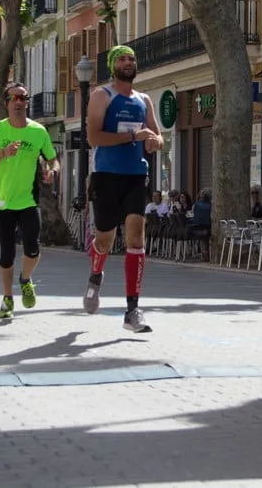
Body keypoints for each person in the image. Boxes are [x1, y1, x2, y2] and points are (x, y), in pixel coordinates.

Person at [83, 45, 164, 333]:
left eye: (132, 58)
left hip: (135, 175)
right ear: (112, 65)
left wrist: (155, 142)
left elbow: (157, 134)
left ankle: (132, 310)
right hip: (106, 175)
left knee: (136, 236)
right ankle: (95, 275)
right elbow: (94, 136)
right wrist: (132, 135)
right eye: (122, 58)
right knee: (104, 239)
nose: (128, 62)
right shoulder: (101, 96)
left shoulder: (144, 99)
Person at [0, 82, 60, 320]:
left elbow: (53, 160)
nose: (19, 103)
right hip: (2, 202)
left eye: (23, 98)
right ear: (7, 103)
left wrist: (52, 171)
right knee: (6, 254)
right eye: (14, 98)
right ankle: (7, 298)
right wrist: (2, 153)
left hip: (28, 200)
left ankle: (25, 280)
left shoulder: (38, 132)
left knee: (33, 247)